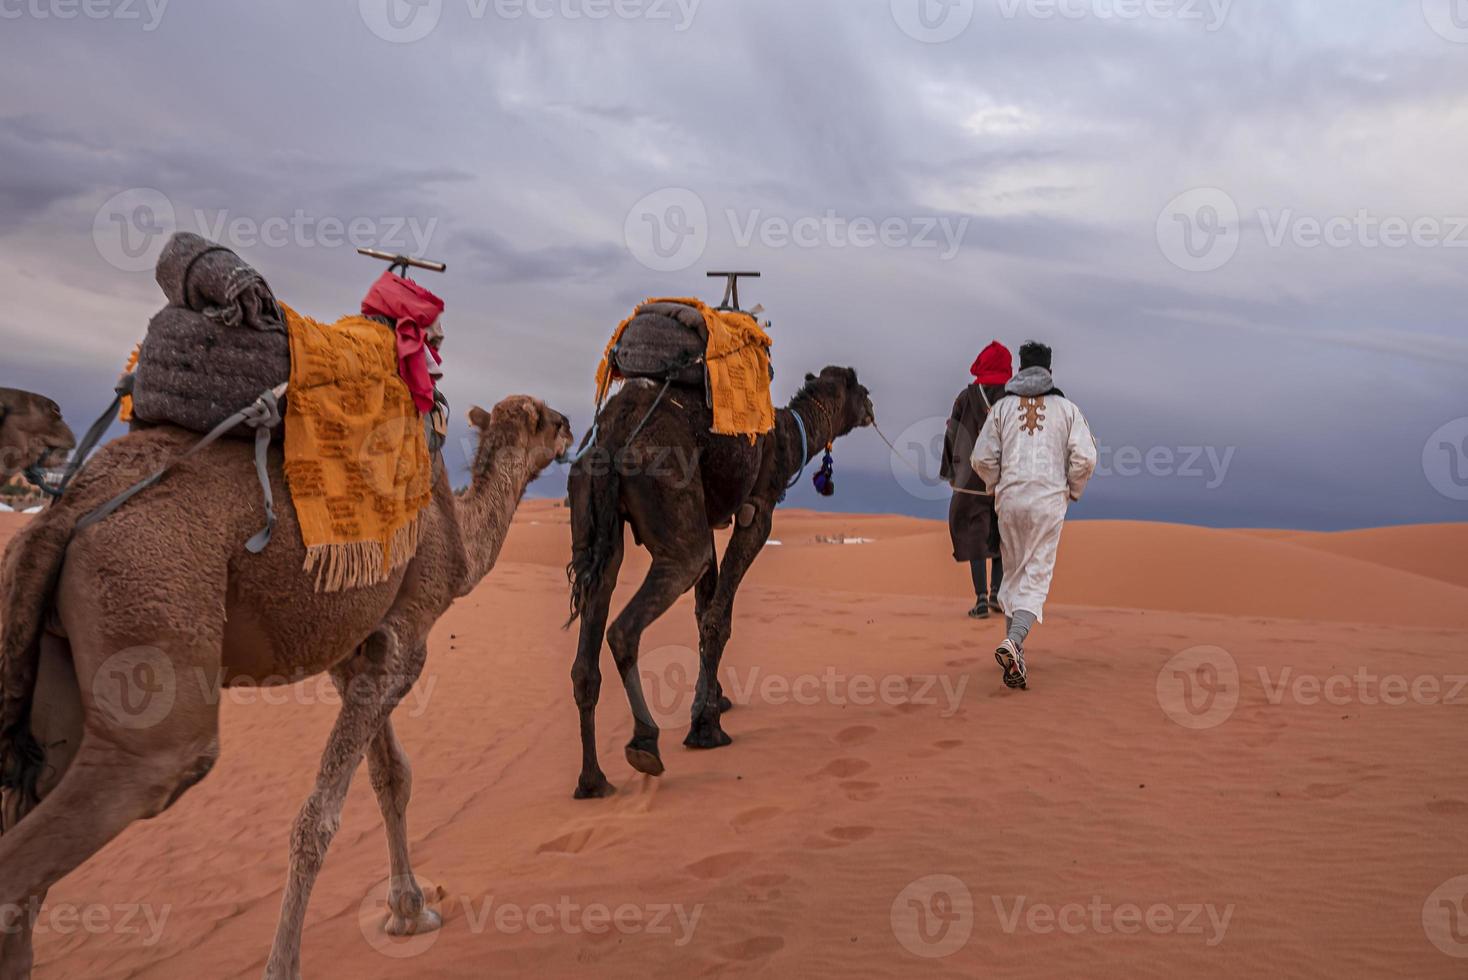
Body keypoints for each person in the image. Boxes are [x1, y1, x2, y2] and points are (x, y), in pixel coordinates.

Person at [971, 341, 1097, 690]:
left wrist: (996, 485)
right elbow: (1085, 458)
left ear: (1020, 371)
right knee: (1036, 576)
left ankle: (1015, 654)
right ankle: (1013, 642)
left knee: (1013, 574)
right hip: (1047, 501)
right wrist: (1073, 488)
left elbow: (981, 458)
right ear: (1049, 371)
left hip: (1009, 502)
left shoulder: (1001, 409)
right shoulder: (1068, 410)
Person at [940, 341, 1012, 619]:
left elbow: (952, 434)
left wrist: (949, 471)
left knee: (976, 536)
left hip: (969, 481)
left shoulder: (965, 397)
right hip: (1005, 479)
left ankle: (981, 599)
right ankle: (997, 593)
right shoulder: (1013, 400)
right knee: (1001, 535)